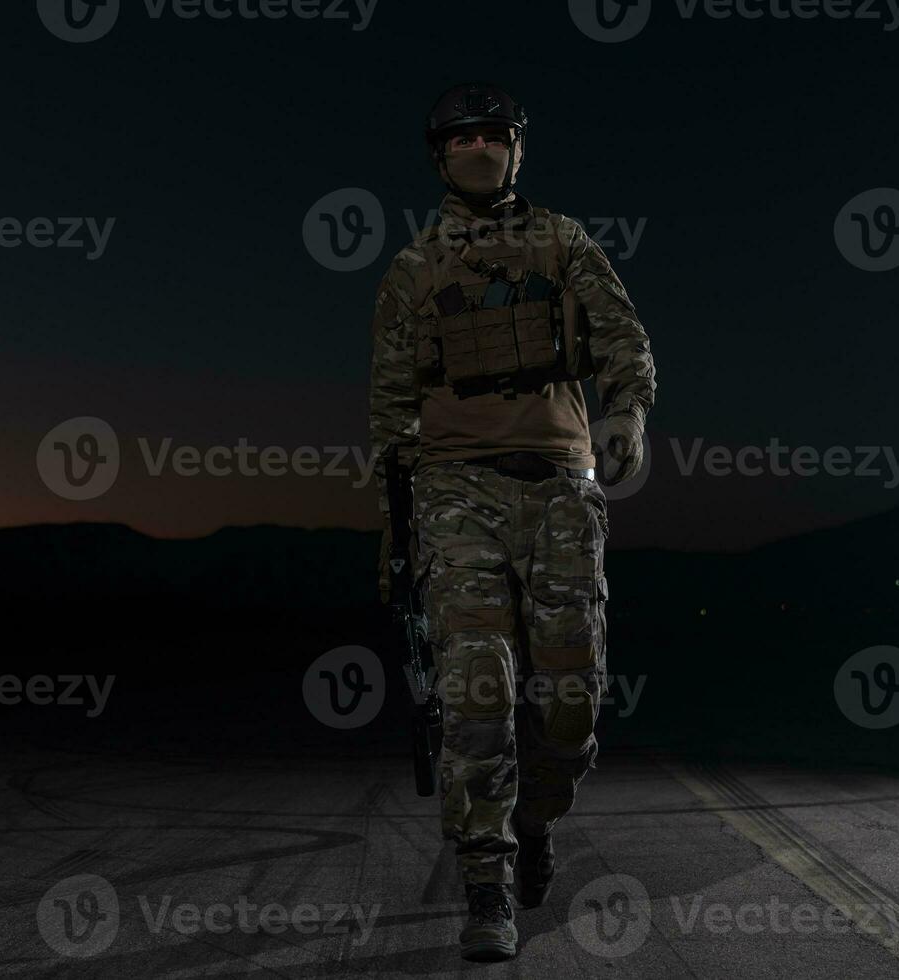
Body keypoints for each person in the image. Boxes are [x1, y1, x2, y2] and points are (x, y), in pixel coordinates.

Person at [368, 81, 656, 962]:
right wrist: (398, 532)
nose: (478, 150)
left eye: (492, 136)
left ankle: (535, 819)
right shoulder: (415, 268)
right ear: (438, 158)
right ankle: (485, 878)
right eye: (461, 141)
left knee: (571, 696)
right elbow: (390, 417)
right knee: (476, 693)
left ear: (518, 149)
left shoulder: (563, 242)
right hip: (457, 491)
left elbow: (621, 337)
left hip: (562, 484)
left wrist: (629, 412)